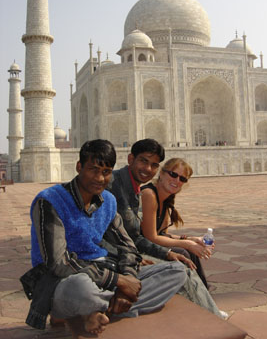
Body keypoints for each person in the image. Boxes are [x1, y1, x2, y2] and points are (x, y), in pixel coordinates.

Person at [20, 139, 187, 338]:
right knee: (80, 287)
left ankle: (98, 309)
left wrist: (128, 279)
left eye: (106, 172)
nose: (100, 178)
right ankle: (98, 306)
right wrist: (118, 281)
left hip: (104, 273)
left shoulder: (107, 200)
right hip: (63, 279)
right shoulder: (49, 201)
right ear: (79, 167)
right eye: (93, 169)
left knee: (176, 271)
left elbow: (128, 246)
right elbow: (58, 263)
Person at [109, 139, 226, 318]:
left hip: (126, 252)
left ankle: (206, 308)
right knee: (181, 265)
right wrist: (176, 248)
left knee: (182, 261)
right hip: (110, 257)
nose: (148, 169)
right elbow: (143, 237)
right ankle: (211, 316)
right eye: (144, 161)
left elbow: (136, 236)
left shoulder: (134, 190)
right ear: (130, 159)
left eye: (153, 164)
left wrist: (179, 246)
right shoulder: (117, 185)